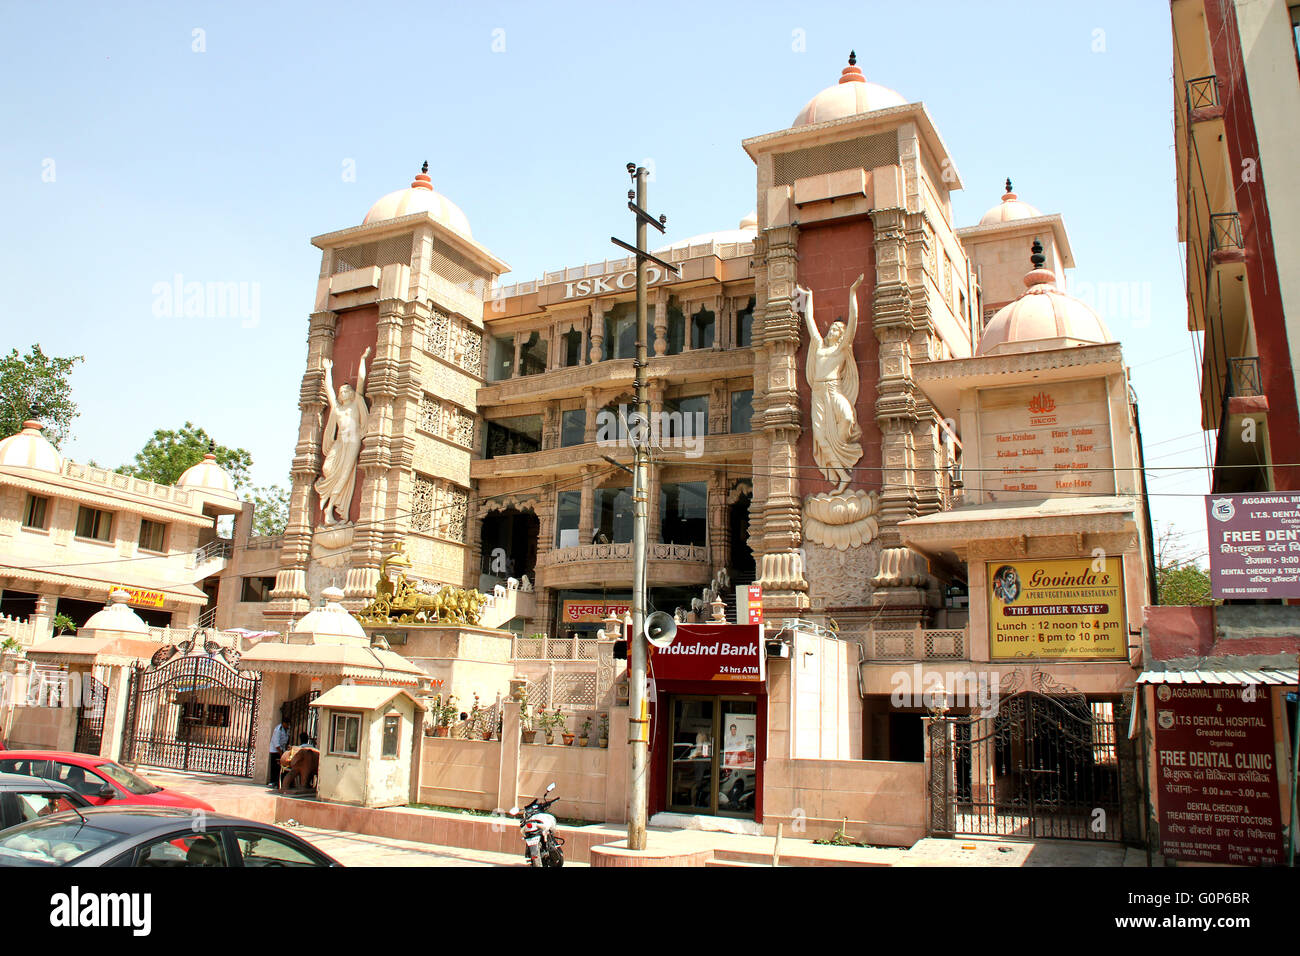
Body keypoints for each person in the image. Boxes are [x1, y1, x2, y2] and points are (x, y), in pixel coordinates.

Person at [269, 718, 290, 787]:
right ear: (283, 723)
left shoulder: (287, 730)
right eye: (287, 724)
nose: (288, 726)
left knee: (280, 768)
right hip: (275, 751)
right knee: (275, 767)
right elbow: (276, 744)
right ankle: (272, 782)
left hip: (282, 749)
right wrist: (281, 754)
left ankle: (278, 782)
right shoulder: (278, 730)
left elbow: (286, 740)